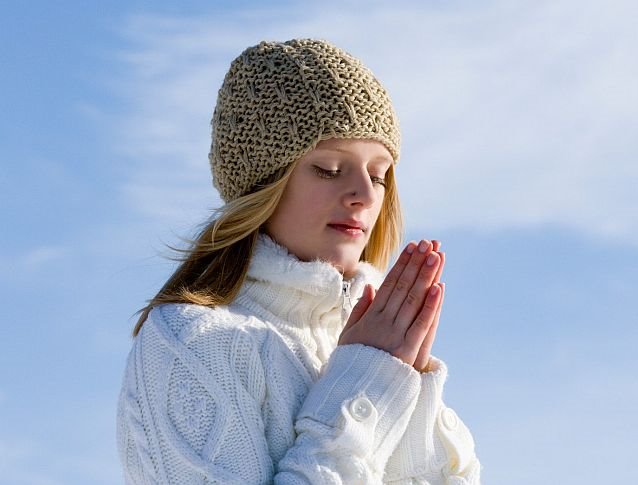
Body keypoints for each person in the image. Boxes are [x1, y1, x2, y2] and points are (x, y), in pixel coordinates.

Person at [116, 38, 481, 484]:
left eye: (379, 174)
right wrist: (365, 382)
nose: (366, 195)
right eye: (330, 168)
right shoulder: (191, 342)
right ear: (263, 183)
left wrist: (404, 384)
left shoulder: (377, 346)